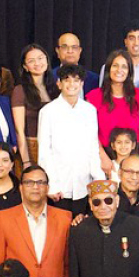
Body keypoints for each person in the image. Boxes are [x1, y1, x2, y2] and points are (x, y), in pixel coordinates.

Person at [39, 64, 102, 202]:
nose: (71, 84)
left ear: (81, 84)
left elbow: (93, 147)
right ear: (59, 84)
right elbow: (44, 151)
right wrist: (52, 184)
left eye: (76, 80)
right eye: (67, 80)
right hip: (59, 185)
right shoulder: (48, 111)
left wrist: (98, 178)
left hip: (84, 184)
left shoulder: (89, 110)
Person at [88, 49, 139, 161]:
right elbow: (90, 133)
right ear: (108, 69)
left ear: (129, 71)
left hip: (132, 156)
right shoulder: (94, 97)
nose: (119, 70)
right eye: (115, 65)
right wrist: (103, 157)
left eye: (124, 67)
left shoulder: (138, 96)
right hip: (102, 157)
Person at [12, 44, 55, 168]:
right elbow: (19, 130)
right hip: (32, 146)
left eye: (40, 58)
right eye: (31, 61)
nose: (37, 63)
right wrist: (26, 161)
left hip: (54, 147)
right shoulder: (20, 91)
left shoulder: (56, 88)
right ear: (25, 67)